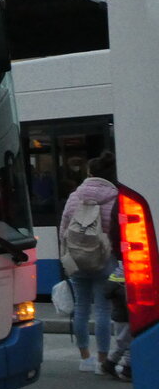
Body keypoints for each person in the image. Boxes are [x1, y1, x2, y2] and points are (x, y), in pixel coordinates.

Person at [58, 151, 118, 373]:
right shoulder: (115, 197)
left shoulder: (75, 196)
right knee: (103, 310)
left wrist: (66, 257)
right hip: (104, 260)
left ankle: (85, 358)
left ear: (90, 173)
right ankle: (102, 360)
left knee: (81, 308)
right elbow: (117, 230)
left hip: (77, 260)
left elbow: (64, 229)